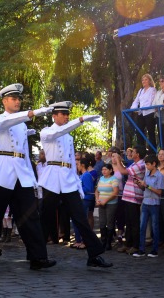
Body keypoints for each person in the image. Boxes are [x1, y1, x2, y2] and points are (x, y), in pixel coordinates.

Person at [0, 83, 55, 270]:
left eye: (19, 99)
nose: (17, 101)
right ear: (4, 100)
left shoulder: (22, 125)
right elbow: (6, 123)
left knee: (30, 216)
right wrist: (31, 114)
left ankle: (38, 257)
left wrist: (32, 180)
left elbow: (24, 153)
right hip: (3, 173)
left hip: (21, 174)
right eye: (14, 98)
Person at [39, 101, 112, 268]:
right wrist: (81, 120)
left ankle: (94, 254)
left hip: (67, 179)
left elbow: (72, 162)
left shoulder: (69, 137)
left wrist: (78, 185)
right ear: (54, 115)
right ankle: (38, 255)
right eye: (63, 114)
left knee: (80, 217)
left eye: (67, 114)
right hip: (52, 178)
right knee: (45, 217)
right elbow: (58, 132)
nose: (66, 117)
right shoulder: (47, 132)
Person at [111, 145, 146, 255]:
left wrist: (117, 159)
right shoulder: (135, 164)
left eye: (133, 152)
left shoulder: (141, 164)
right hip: (128, 196)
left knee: (134, 222)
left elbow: (123, 171)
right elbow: (125, 169)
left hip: (134, 197)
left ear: (138, 154)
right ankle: (128, 243)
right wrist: (119, 160)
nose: (130, 154)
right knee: (128, 222)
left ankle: (135, 245)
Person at [133, 154, 164, 258]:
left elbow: (159, 192)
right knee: (142, 227)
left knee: (155, 227)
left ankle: (155, 250)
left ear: (154, 164)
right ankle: (141, 250)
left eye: (148, 164)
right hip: (145, 203)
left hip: (154, 204)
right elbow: (144, 189)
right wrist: (139, 184)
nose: (146, 166)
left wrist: (148, 186)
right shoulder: (146, 174)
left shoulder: (159, 176)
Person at [95, 163, 118, 250]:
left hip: (111, 203)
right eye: (102, 169)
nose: (103, 171)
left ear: (110, 170)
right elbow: (97, 190)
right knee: (102, 222)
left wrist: (105, 200)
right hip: (101, 203)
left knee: (110, 222)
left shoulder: (114, 179)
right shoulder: (101, 178)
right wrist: (97, 199)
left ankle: (108, 243)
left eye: (105, 169)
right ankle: (103, 241)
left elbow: (115, 192)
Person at [130, 74, 157, 150]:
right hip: (141, 113)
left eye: (146, 79)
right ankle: (141, 150)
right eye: (143, 80)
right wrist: (133, 108)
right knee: (139, 132)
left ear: (149, 81)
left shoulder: (152, 90)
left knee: (150, 132)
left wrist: (143, 108)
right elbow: (136, 101)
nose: (144, 81)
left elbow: (151, 101)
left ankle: (152, 151)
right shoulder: (141, 90)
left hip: (149, 113)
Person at [152, 75, 164, 149]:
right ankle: (162, 150)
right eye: (159, 81)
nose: (160, 83)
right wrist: (156, 107)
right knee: (160, 133)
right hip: (158, 115)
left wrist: (159, 107)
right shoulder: (158, 92)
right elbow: (153, 104)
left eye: (162, 81)